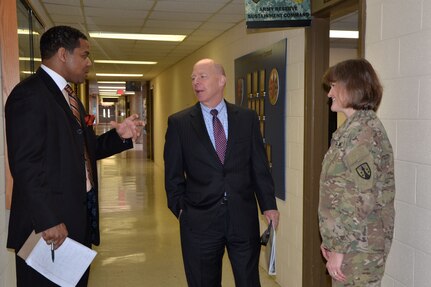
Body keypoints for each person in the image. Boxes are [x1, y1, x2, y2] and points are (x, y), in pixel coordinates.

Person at [5, 25, 144, 286]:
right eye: (84, 55)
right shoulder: (29, 95)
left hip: (76, 220)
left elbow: (86, 150)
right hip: (48, 228)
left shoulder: (70, 98)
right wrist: (49, 220)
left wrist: (120, 136)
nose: (88, 62)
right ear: (62, 54)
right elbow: (25, 165)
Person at [164, 58, 279, 287]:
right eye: (193, 78)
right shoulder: (180, 123)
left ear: (221, 80)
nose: (196, 82)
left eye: (202, 76)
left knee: (249, 281)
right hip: (199, 223)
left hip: (242, 219)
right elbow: (173, 176)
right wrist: (182, 211)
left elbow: (259, 166)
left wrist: (268, 204)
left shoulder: (246, 118)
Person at [318, 58, 395, 286]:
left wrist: (339, 247)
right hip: (350, 243)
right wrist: (331, 239)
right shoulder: (351, 129)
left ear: (351, 87)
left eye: (333, 86)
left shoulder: (364, 133)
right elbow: (341, 190)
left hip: (359, 249)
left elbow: (363, 197)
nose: (329, 93)